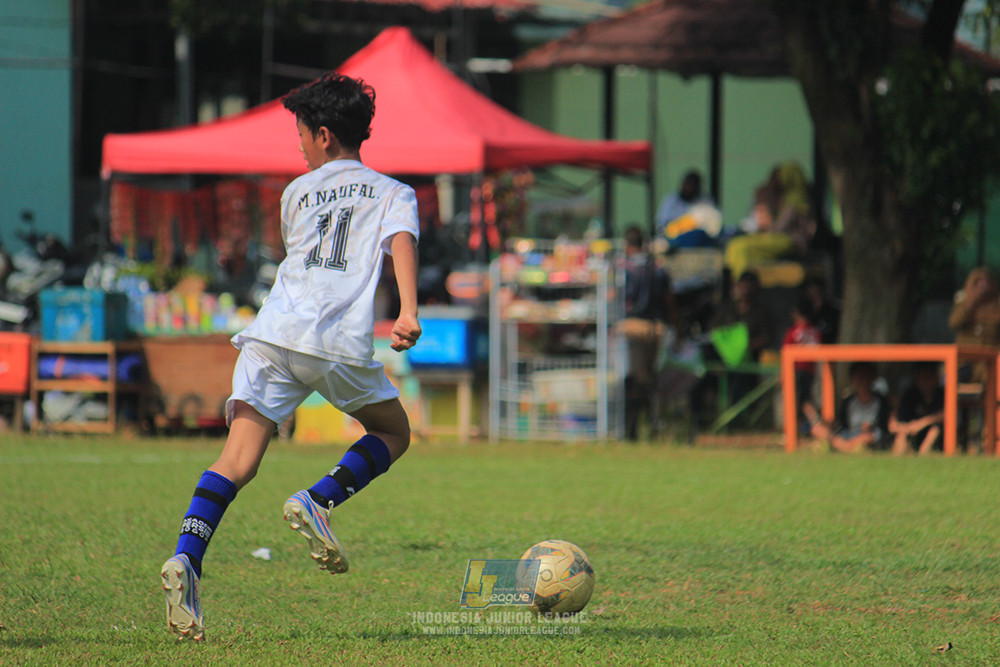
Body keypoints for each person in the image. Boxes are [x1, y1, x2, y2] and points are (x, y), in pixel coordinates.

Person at [159, 73, 422, 641]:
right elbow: (400, 239)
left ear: (324, 135)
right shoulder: (393, 191)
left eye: (300, 134)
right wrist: (407, 309)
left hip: (271, 335)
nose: (298, 144)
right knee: (393, 433)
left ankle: (187, 556)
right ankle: (320, 498)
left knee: (237, 461)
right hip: (331, 342)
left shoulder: (296, 193)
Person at [621, 224, 677, 439]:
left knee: (633, 380)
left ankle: (632, 428)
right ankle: (653, 423)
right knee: (651, 380)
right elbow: (669, 299)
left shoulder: (623, 267)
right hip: (657, 328)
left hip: (632, 327)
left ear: (627, 245)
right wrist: (677, 327)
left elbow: (612, 297)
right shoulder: (657, 267)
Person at [803, 361, 890, 453]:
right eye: (859, 377)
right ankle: (846, 447)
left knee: (867, 437)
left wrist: (870, 427)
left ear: (873, 378)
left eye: (865, 376)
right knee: (817, 429)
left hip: (868, 436)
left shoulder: (881, 401)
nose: (862, 381)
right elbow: (840, 425)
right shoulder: (848, 401)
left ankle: (845, 447)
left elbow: (884, 428)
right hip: (848, 435)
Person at [949, 266, 1000, 382]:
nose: (982, 287)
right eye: (978, 283)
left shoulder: (997, 306)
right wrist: (972, 302)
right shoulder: (963, 303)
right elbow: (954, 323)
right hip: (965, 360)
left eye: (986, 283)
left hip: (990, 360)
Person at [782, 295, 822, 431]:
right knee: (804, 399)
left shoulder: (794, 331)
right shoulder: (815, 331)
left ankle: (814, 425)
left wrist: (783, 374)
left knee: (798, 400)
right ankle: (806, 426)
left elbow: (786, 352)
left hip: (798, 370)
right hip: (812, 370)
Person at [889, 362, 944, 455]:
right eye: (921, 376)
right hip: (912, 435)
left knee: (934, 430)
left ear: (936, 378)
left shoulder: (942, 395)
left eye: (928, 377)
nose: (924, 381)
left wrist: (922, 423)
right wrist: (906, 428)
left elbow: (946, 415)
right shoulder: (910, 395)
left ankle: (922, 457)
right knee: (901, 436)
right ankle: (895, 463)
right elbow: (894, 424)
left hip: (937, 439)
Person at [654, 170, 715, 239]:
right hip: (673, 242)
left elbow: (712, 228)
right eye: (687, 183)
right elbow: (661, 225)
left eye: (692, 184)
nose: (688, 187)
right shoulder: (670, 200)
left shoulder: (706, 202)